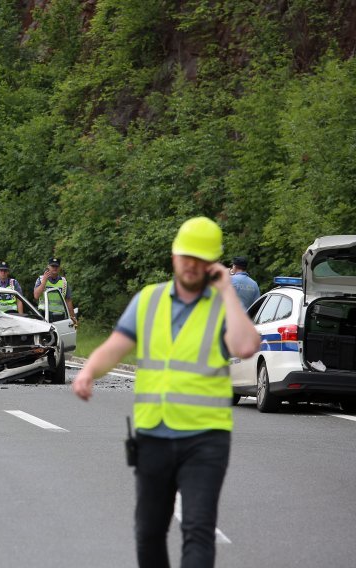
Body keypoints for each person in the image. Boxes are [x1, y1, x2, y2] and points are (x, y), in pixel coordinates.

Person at [72, 217, 260, 568]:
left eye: (202, 259)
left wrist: (227, 292)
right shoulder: (149, 300)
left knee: (197, 530)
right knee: (149, 532)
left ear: (214, 265)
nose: (192, 264)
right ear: (174, 256)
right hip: (153, 436)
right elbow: (115, 347)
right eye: (187, 256)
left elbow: (246, 345)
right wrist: (87, 371)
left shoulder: (223, 307)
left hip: (205, 438)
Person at [33, 257, 77, 325]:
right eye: (52, 266)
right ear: (48, 267)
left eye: (56, 266)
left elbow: (68, 301)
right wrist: (44, 281)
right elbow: (36, 296)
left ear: (59, 268)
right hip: (44, 314)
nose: (55, 268)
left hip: (60, 315)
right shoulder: (41, 279)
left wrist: (73, 317)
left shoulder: (64, 282)